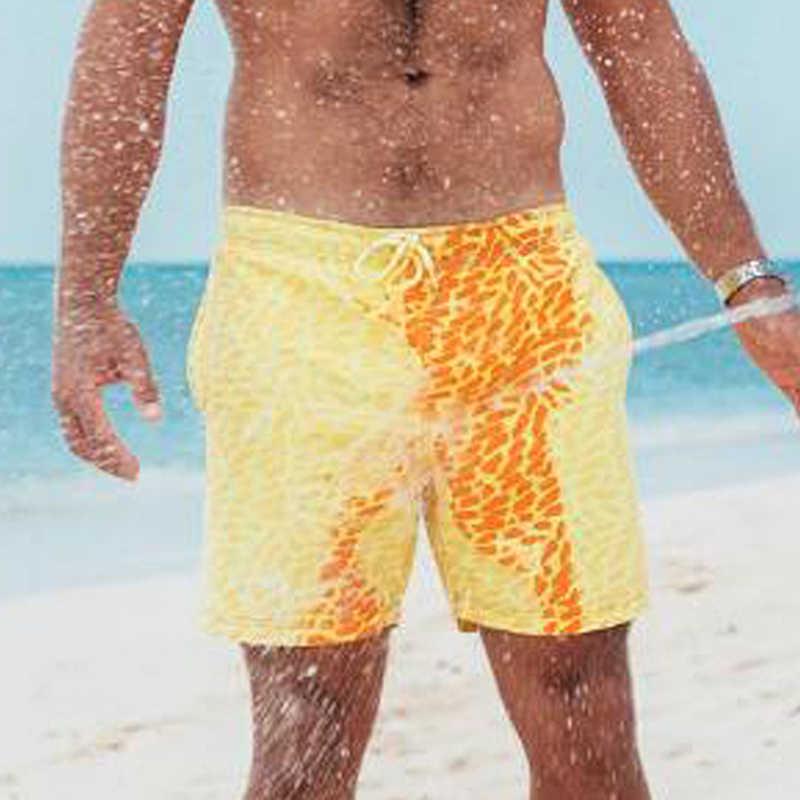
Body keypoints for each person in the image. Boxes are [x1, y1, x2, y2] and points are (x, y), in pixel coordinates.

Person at [51, 1, 800, 798]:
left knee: (582, 709)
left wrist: (745, 283)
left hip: (528, 294)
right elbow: (126, 53)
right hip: (302, 300)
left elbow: (637, 40)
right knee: (307, 724)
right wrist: (87, 300)